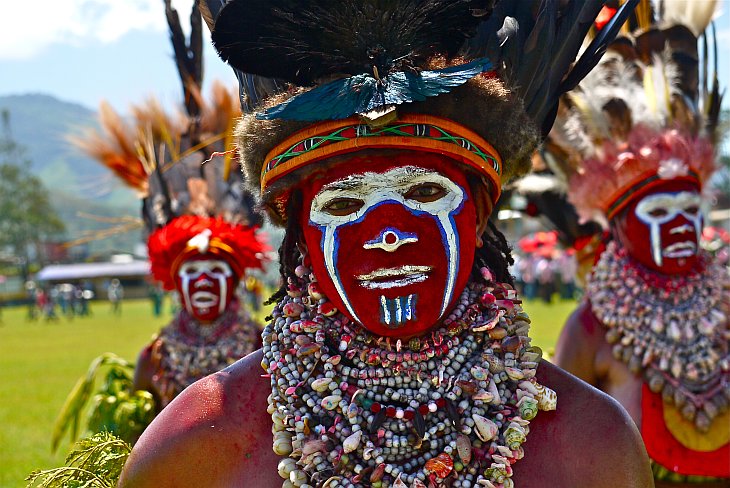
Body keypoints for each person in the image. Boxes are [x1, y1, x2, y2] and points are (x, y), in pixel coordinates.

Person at [119, 1, 652, 487]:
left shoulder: (592, 445)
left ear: (477, 216)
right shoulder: (200, 444)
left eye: (424, 193)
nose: (390, 234)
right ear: (301, 233)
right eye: (345, 204)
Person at [552, 3, 729, 485]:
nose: (680, 226)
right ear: (619, 225)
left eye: (689, 209)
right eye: (659, 212)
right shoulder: (590, 330)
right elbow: (564, 450)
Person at [133, 215, 268, 410]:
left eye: (215, 269)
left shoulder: (263, 349)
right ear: (178, 284)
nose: (203, 281)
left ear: (234, 282)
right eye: (192, 271)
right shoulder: (154, 360)